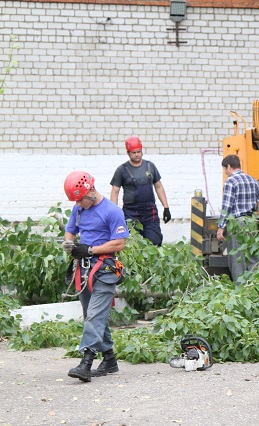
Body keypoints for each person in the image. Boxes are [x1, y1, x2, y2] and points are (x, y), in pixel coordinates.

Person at [62, 171, 130, 382]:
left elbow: (119, 243)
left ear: (90, 191)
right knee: (94, 316)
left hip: (105, 270)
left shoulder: (112, 211)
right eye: (76, 201)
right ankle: (109, 359)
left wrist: (90, 250)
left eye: (80, 199)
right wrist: (69, 243)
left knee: (93, 316)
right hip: (83, 270)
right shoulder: (79, 208)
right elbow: (70, 230)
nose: (79, 205)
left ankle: (87, 361)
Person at [216, 154, 259, 281]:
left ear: (229, 166)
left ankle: (240, 291)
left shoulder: (230, 181)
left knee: (237, 259)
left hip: (237, 223)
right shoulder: (251, 179)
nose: (225, 172)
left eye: (225, 169)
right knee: (252, 256)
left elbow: (227, 206)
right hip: (251, 222)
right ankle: (255, 286)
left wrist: (221, 227)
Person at [110, 136, 170, 246]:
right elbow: (115, 191)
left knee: (155, 242)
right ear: (128, 153)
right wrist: (114, 212)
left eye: (139, 151)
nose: (137, 154)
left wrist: (166, 207)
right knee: (132, 244)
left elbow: (159, 187)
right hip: (131, 213)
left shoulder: (150, 166)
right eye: (134, 152)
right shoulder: (121, 170)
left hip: (149, 212)